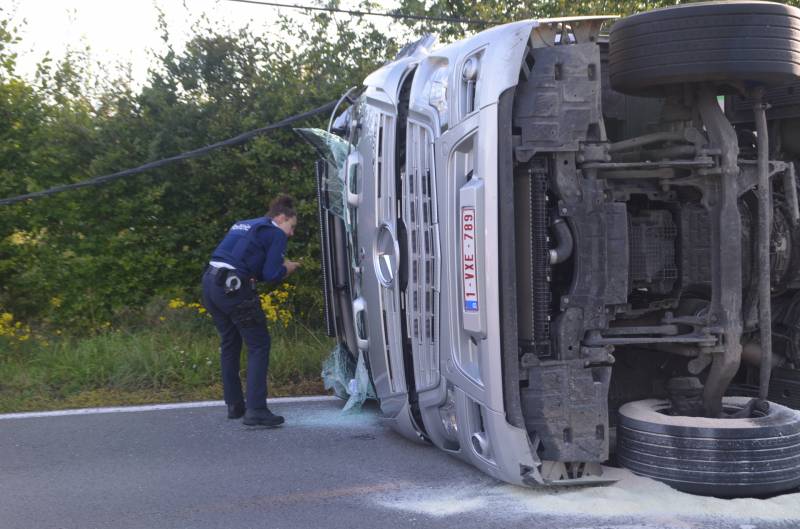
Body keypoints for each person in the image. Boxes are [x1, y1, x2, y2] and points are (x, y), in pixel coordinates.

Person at [201, 195, 301, 427]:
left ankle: (234, 405)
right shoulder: (275, 232)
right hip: (234, 288)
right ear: (281, 218)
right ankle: (256, 409)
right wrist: (288, 267)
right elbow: (270, 274)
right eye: (292, 226)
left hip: (210, 283)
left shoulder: (244, 223)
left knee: (230, 342)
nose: (291, 233)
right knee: (259, 344)